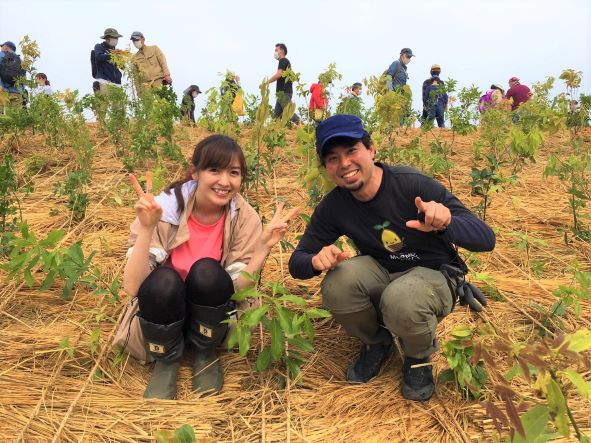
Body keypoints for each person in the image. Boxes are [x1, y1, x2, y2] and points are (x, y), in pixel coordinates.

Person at [288, 114, 495, 402]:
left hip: (433, 273)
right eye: (333, 158)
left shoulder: (411, 185)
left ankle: (418, 357)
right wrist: (314, 261)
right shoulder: (335, 206)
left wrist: (447, 222)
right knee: (339, 283)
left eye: (352, 150)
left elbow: (486, 239)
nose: (344, 163)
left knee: (402, 299)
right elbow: (297, 262)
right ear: (326, 168)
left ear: (371, 150)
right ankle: (377, 342)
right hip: (383, 271)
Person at [113, 135, 298, 400]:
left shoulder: (243, 216)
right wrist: (146, 228)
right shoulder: (163, 209)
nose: (224, 181)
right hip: (165, 312)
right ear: (195, 172)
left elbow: (237, 289)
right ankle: (166, 360)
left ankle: (204, 350)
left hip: (210, 314)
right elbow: (133, 287)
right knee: (164, 280)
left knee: (207, 272)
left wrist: (262, 248)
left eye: (233, 172)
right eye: (214, 170)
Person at [267, 43, 299, 124]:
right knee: (276, 117)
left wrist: (266, 83)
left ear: (282, 50)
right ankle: (273, 130)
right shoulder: (285, 61)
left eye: (276, 50)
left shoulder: (283, 61)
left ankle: (302, 126)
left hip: (283, 93)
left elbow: (278, 74)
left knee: (289, 113)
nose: (275, 52)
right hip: (281, 93)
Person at [93, 28, 124, 93]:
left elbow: (122, 67)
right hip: (104, 81)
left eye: (117, 38)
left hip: (117, 84)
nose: (116, 39)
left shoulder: (115, 51)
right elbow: (99, 57)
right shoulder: (99, 47)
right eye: (114, 37)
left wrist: (120, 58)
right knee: (104, 99)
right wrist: (112, 55)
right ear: (107, 38)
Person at [0, 41, 27, 109]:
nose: (1, 48)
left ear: (6, 47)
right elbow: (23, 77)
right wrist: (22, 91)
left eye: (2, 46)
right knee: (15, 114)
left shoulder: (1, 55)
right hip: (17, 92)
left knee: (2, 113)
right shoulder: (20, 60)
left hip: (3, 91)